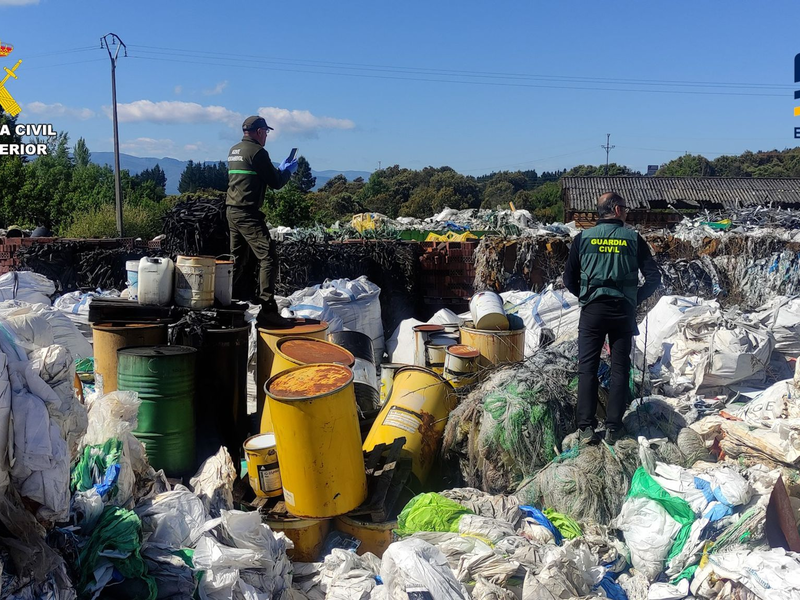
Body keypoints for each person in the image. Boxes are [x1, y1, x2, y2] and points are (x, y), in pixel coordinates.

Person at [563, 192, 661, 445]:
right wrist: (634, 298)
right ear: (617, 210)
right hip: (622, 312)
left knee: (587, 369)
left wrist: (586, 295)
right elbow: (654, 278)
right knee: (620, 369)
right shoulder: (633, 239)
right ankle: (613, 427)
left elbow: (568, 279)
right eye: (625, 208)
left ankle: (585, 428)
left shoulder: (582, 239)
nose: (627, 212)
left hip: (592, 312)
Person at [226, 115, 298, 327]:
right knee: (267, 257)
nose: (266, 136)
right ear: (259, 132)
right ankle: (268, 310)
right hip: (247, 212)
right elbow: (275, 182)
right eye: (266, 132)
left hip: (231, 209)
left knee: (236, 259)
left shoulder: (234, 150)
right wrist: (286, 172)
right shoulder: (258, 152)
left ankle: (222, 301)